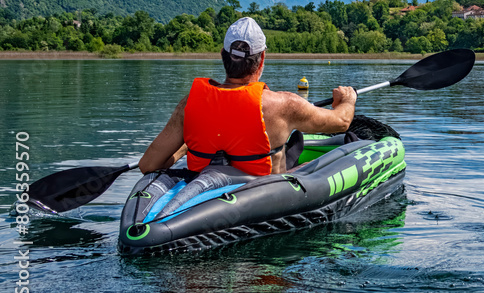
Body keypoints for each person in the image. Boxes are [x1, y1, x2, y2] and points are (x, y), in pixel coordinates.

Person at [138, 16, 357, 176]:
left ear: (223, 55)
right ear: (262, 59)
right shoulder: (283, 104)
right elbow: (342, 121)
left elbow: (148, 165)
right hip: (263, 199)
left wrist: (186, 145)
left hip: (205, 198)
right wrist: (347, 100)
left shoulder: (189, 104)